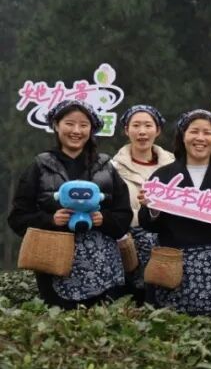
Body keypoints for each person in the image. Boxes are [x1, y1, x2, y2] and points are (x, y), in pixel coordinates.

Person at [8, 100, 132, 308]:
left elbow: (124, 215)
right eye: (69, 123)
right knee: (60, 322)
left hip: (104, 268)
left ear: (92, 129)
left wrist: (104, 219)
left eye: (83, 125)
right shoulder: (41, 165)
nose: (76, 131)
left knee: (104, 322)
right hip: (54, 263)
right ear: (56, 125)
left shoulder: (106, 166)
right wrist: (50, 220)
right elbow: (17, 218)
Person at [138, 110, 211, 320]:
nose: (200, 138)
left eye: (207, 133)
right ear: (183, 137)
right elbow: (146, 222)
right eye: (194, 131)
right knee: (172, 327)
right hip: (173, 265)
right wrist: (153, 207)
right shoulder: (162, 176)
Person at [112, 105, 175, 300]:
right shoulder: (112, 167)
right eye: (136, 125)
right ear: (126, 130)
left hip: (165, 246)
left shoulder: (174, 167)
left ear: (158, 130)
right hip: (126, 246)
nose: (142, 131)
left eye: (148, 125)